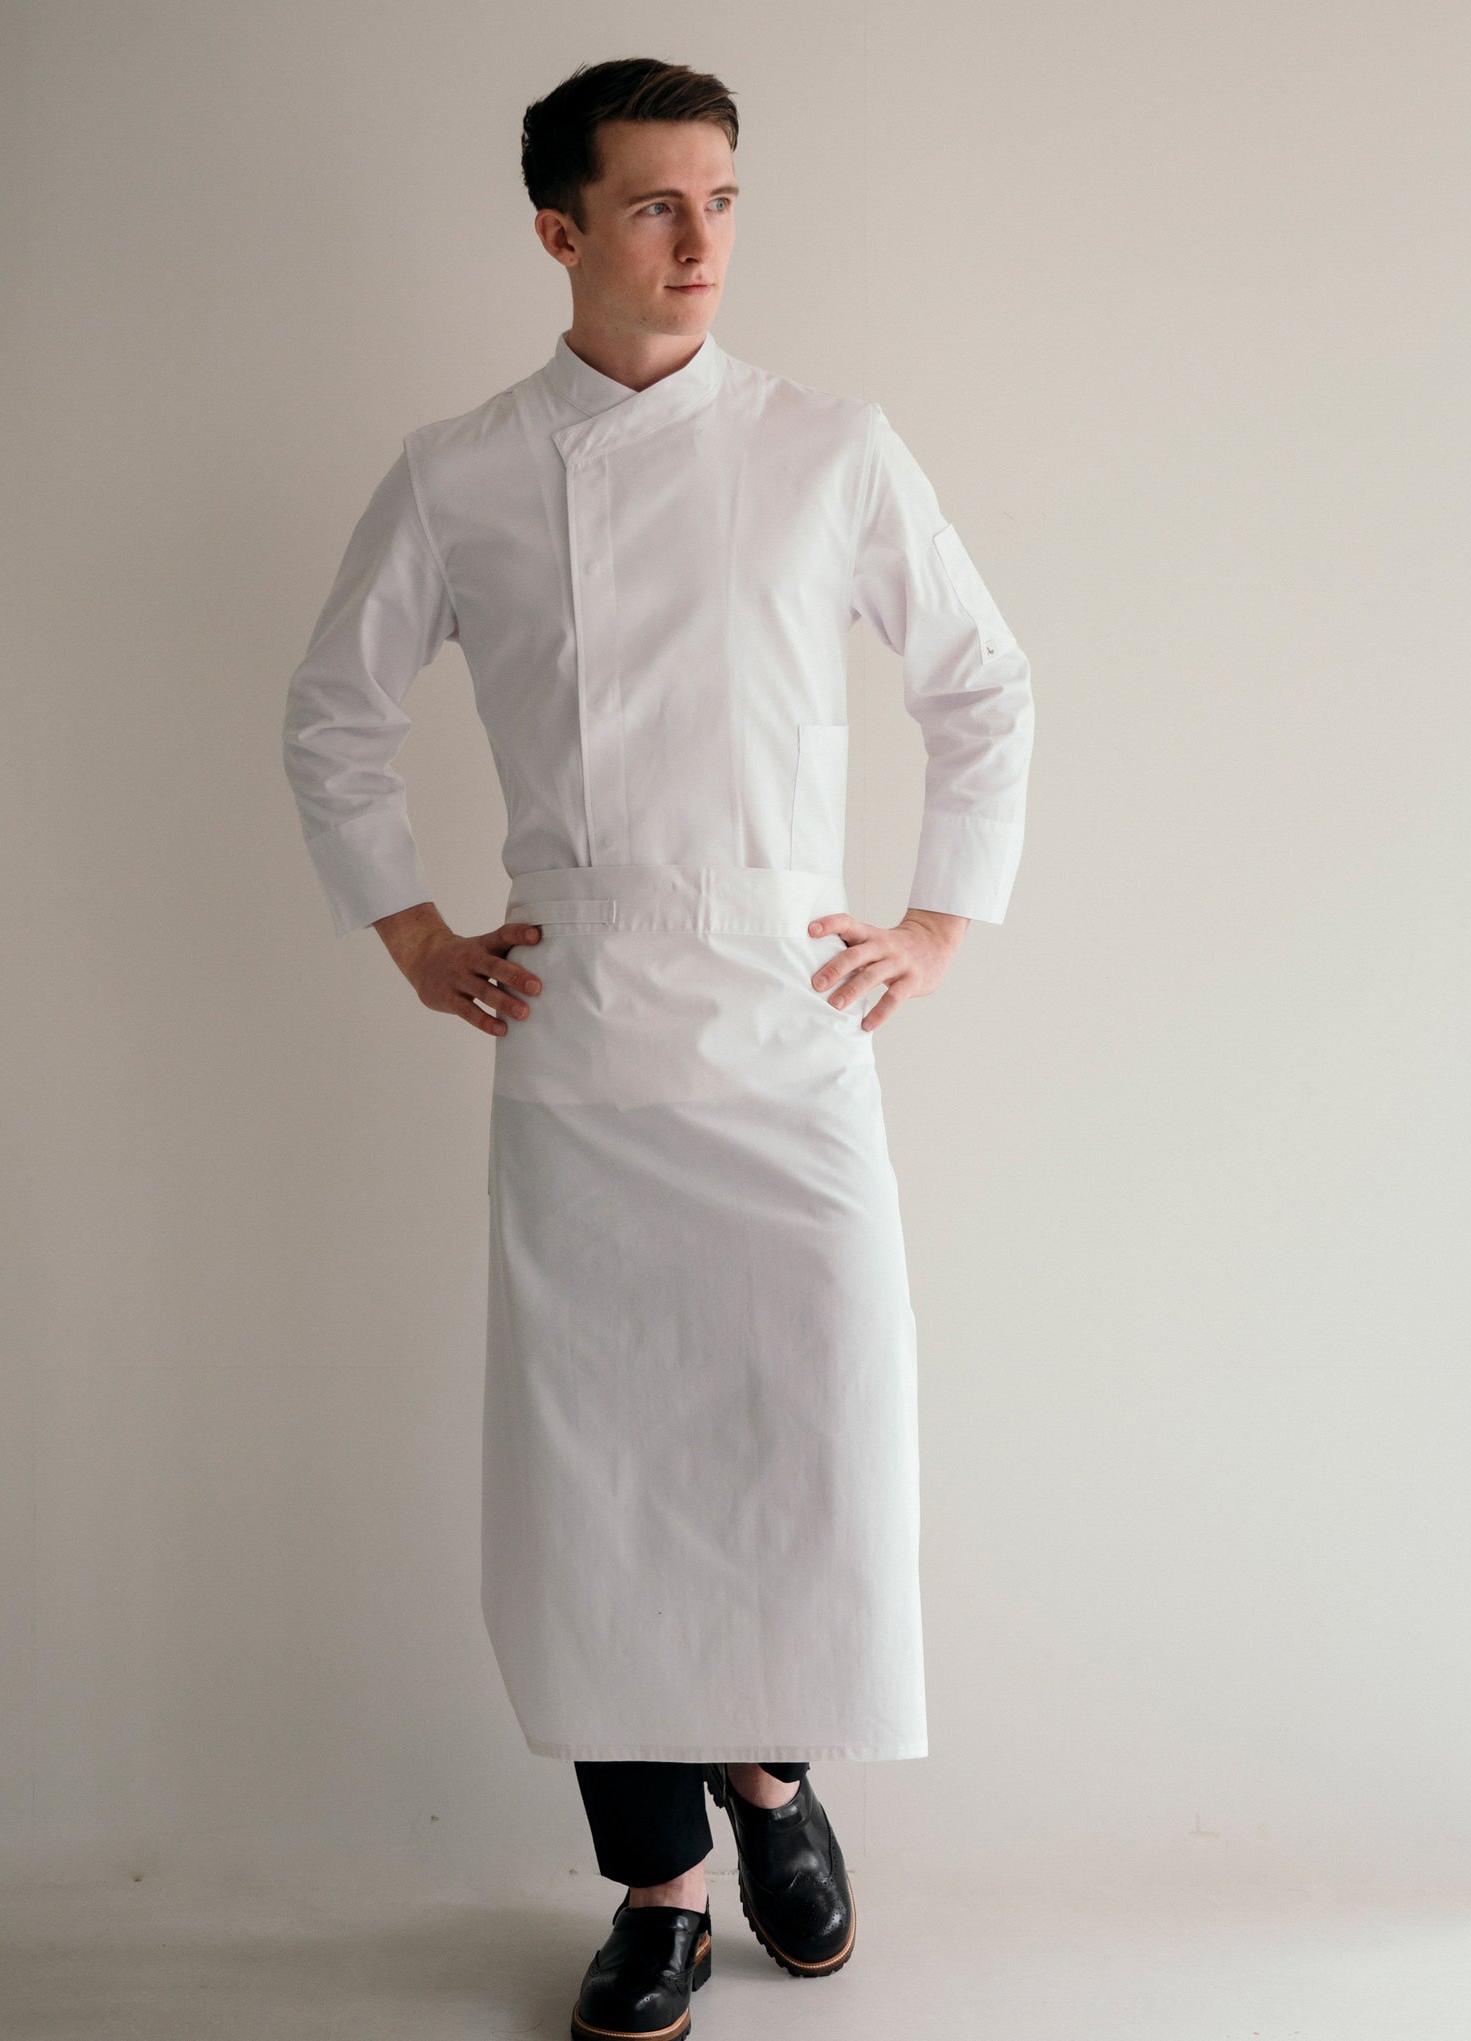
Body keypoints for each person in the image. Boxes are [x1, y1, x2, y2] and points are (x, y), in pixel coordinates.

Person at [282, 55, 1033, 2041]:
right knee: (598, 1478)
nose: (701, 242)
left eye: (722, 200)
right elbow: (332, 711)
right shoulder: (458, 472)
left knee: (806, 1436)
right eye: (651, 206)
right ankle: (659, 1878)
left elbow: (978, 679)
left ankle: (772, 1775)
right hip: (586, 1031)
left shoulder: (829, 447)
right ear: (558, 230)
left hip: (789, 1033)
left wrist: (935, 921)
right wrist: (412, 930)